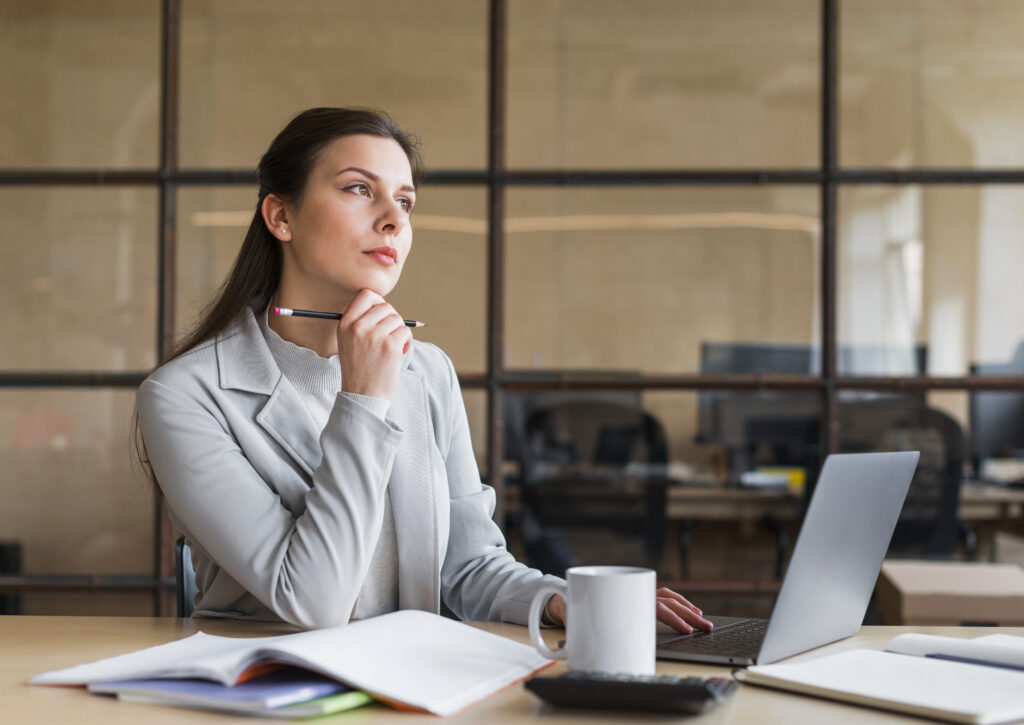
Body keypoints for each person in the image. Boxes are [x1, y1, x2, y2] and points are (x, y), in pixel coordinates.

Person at [136, 107, 712, 633]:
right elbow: (311, 602)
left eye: (405, 202)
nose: (393, 220)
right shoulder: (185, 395)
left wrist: (561, 599)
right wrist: (362, 400)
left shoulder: (428, 372)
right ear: (281, 216)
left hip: (410, 690)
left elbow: (468, 567)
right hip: (269, 692)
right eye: (360, 189)